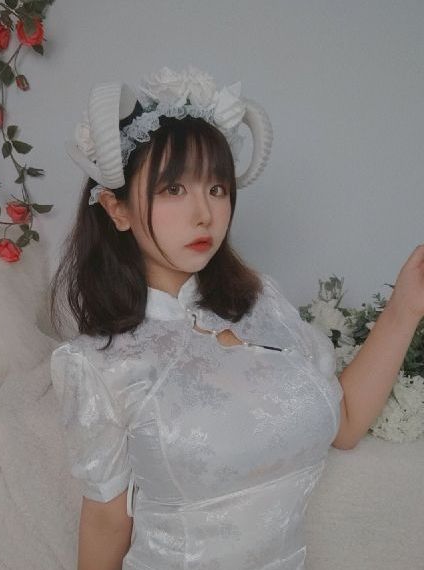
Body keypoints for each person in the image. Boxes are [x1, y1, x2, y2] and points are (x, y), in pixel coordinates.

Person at [49, 66, 424, 570]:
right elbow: (106, 522)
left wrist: (405, 308)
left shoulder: (264, 304)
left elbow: (347, 424)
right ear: (117, 210)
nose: (204, 214)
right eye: (173, 189)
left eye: (217, 188)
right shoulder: (98, 364)